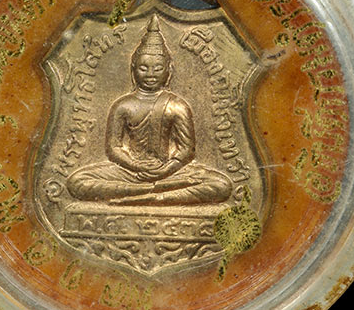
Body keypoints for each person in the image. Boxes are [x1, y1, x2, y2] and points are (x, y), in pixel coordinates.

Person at [66, 15, 232, 205]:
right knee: (77, 182)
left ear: (168, 70)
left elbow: (186, 150)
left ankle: (150, 195)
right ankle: (150, 192)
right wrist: (135, 165)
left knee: (221, 185)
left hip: (170, 172)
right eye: (144, 68)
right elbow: (114, 148)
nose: (150, 74)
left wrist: (166, 169)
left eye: (158, 68)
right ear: (133, 69)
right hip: (130, 172)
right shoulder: (123, 105)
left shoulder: (177, 105)